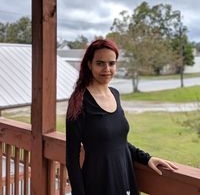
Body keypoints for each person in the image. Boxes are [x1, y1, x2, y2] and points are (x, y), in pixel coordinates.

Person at [66, 39, 177, 195]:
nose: (107, 69)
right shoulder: (79, 101)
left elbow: (118, 140)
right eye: (100, 63)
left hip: (124, 178)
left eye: (112, 63)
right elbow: (72, 157)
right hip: (97, 183)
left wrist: (146, 159)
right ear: (89, 64)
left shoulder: (115, 94)